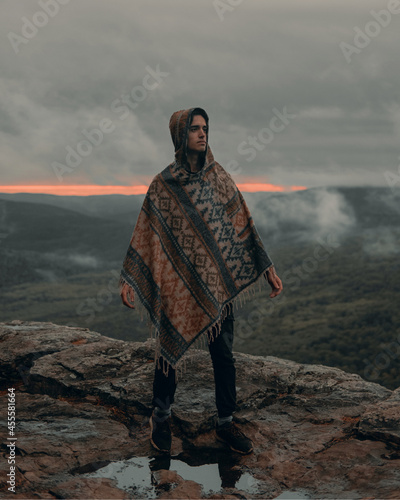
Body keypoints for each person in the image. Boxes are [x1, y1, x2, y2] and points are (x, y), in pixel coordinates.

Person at [120, 107, 282, 455]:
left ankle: (225, 423)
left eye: (205, 128)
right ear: (180, 136)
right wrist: (130, 278)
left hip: (217, 286)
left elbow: (243, 223)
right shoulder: (163, 185)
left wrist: (266, 267)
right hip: (178, 288)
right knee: (169, 352)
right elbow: (145, 234)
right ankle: (161, 417)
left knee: (223, 355)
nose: (202, 134)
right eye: (194, 129)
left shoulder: (217, 176)